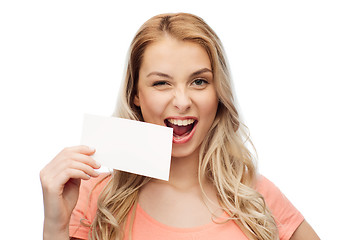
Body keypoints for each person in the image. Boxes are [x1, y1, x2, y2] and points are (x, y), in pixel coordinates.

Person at [40, 13, 319, 240]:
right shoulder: (96, 197)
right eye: (162, 83)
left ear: (218, 92)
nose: (183, 101)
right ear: (135, 94)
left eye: (199, 81)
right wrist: (55, 225)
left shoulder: (255, 196)